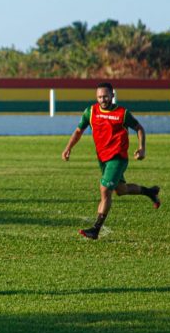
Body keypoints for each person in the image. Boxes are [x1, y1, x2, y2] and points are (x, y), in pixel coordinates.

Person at [62, 82, 161, 240]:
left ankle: (95, 229)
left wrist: (142, 148)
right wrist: (68, 148)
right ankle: (150, 192)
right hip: (103, 159)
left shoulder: (122, 113)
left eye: (106, 96)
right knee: (121, 190)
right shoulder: (91, 112)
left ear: (112, 96)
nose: (103, 100)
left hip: (118, 158)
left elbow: (139, 128)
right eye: (100, 97)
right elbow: (78, 131)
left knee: (105, 190)